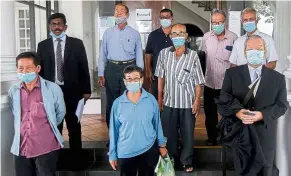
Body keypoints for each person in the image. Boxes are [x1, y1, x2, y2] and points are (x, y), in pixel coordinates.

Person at [218, 35, 288, 176]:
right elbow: (223, 99)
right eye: (250, 49)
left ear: (265, 52)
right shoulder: (232, 74)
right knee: (242, 171)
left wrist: (262, 115)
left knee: (265, 170)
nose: (254, 51)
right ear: (244, 52)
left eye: (259, 48)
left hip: (265, 136)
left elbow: (282, 105)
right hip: (240, 134)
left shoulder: (278, 78)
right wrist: (237, 112)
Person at [37, 13, 91, 168]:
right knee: (55, 127)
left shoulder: (77, 44)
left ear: (65, 26)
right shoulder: (43, 45)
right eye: (53, 24)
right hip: (51, 92)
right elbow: (39, 71)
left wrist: (86, 90)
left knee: (74, 126)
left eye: (60, 24)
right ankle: (56, 161)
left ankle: (77, 162)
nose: (57, 27)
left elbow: (84, 67)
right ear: (50, 27)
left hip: (73, 91)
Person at [155, 24, 205, 173]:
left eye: (181, 33)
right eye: (174, 33)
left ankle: (186, 161)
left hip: (187, 103)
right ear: (170, 36)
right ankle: (171, 159)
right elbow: (160, 77)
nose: (177, 36)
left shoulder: (193, 55)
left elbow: (197, 81)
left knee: (188, 134)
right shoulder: (164, 54)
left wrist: (197, 100)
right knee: (168, 133)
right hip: (169, 102)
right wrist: (160, 97)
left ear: (186, 36)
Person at [8, 52, 66, 176]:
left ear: (37, 68)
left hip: (46, 147)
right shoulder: (14, 91)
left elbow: (60, 113)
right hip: (21, 147)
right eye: (20, 68)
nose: (24, 72)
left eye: (28, 68)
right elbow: (16, 113)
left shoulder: (53, 89)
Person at [108, 65, 167, 176]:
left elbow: (157, 124)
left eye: (136, 78)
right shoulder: (118, 103)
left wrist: (162, 145)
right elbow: (113, 131)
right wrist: (112, 154)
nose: (133, 81)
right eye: (129, 79)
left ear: (142, 79)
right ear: (125, 81)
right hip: (126, 151)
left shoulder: (151, 100)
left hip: (148, 148)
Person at [98, 3, 143, 130]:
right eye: (116, 11)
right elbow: (102, 54)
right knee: (112, 103)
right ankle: (113, 135)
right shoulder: (107, 33)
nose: (118, 13)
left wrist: (139, 74)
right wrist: (101, 73)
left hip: (130, 68)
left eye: (121, 11)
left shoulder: (135, 34)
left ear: (127, 15)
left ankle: (128, 133)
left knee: (129, 100)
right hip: (111, 68)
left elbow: (139, 54)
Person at [202, 9, 238, 146]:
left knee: (227, 113)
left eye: (219, 22)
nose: (216, 25)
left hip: (226, 84)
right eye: (213, 22)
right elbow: (202, 58)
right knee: (210, 113)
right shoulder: (206, 37)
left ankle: (227, 138)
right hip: (209, 82)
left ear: (225, 22)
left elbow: (236, 61)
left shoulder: (234, 37)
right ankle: (212, 138)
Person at [145, 8, 173, 99]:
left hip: (174, 74)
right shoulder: (153, 35)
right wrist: (148, 70)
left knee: (171, 99)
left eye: (167, 17)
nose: (164, 19)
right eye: (162, 17)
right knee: (157, 99)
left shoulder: (177, 34)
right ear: (159, 19)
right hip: (157, 74)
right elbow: (148, 53)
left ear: (172, 18)